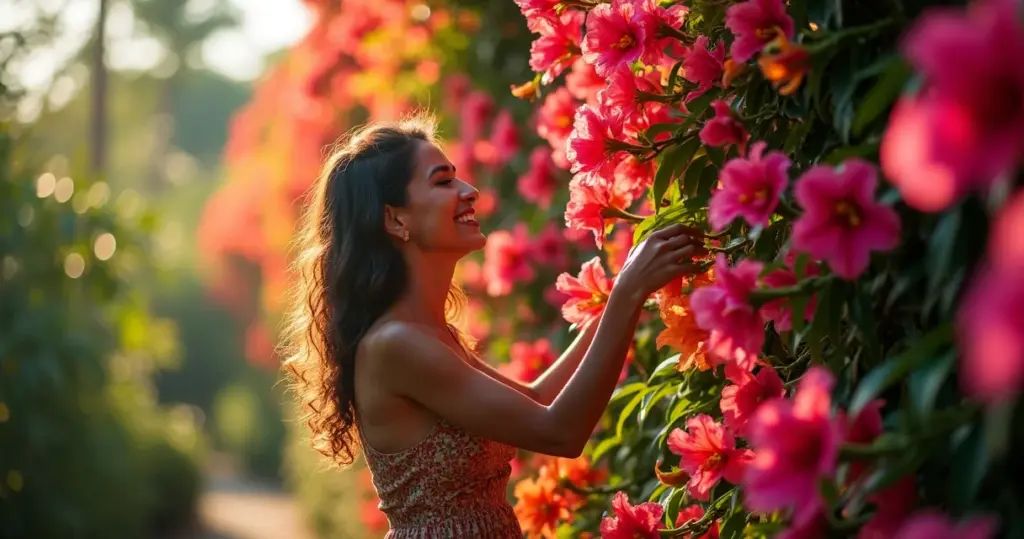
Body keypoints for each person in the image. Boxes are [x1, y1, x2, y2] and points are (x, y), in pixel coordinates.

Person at [282, 114, 704, 538]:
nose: (470, 191)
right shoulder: (397, 345)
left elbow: (539, 397)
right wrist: (628, 292)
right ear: (396, 220)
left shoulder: (427, 333)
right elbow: (560, 431)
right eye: (443, 181)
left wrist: (625, 295)